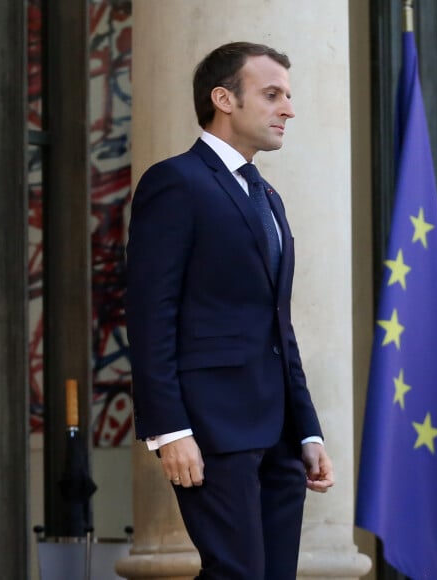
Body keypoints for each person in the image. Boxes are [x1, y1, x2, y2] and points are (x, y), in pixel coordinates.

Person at [126, 41, 334, 580]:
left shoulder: (267, 196)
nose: (288, 108)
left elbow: (277, 327)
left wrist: (307, 431)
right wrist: (169, 429)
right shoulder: (175, 182)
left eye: (287, 95)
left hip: (279, 434)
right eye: (271, 95)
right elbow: (151, 315)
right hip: (211, 427)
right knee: (236, 573)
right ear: (224, 99)